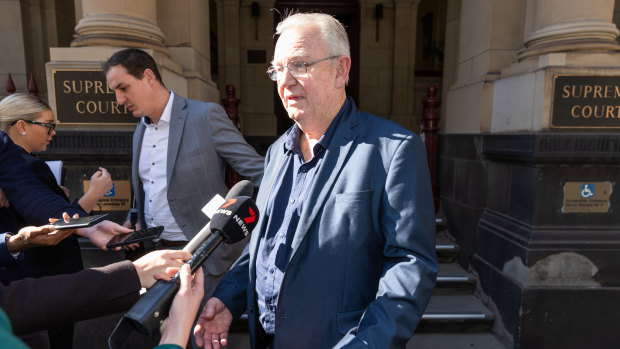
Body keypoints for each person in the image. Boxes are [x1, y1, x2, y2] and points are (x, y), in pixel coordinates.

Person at [193, 13, 438, 349]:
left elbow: (410, 266)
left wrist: (364, 344)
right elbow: (266, 246)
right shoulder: (278, 150)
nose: (285, 81)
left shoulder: (394, 151)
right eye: (278, 69)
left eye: (300, 64)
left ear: (341, 70)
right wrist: (228, 299)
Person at [103, 48, 264, 299]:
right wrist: (133, 219)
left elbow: (258, 171)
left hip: (206, 257)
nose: (119, 100)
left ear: (148, 76)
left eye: (123, 88)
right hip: (156, 258)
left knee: (200, 336)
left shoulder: (205, 116)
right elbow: (147, 188)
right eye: (115, 92)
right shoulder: (140, 129)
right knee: (169, 336)